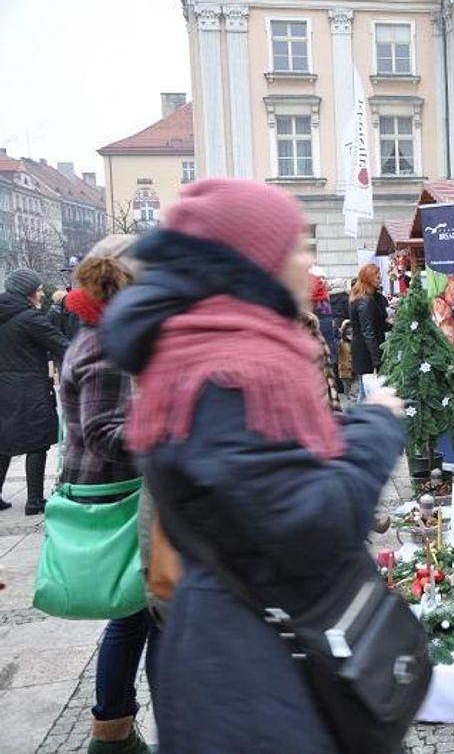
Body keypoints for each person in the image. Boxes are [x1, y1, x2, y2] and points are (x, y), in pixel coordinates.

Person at [100, 178, 407, 753]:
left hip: (245, 649)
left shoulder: (220, 351)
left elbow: (273, 478)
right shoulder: (228, 371)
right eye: (294, 245)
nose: (308, 258)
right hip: (251, 681)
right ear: (253, 263)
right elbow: (308, 522)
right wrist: (377, 426)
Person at [58, 236, 158, 754]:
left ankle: (112, 731)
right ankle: (116, 734)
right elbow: (104, 431)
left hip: (115, 489)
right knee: (144, 615)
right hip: (119, 495)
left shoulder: (103, 336)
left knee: (136, 614)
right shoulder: (106, 347)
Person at [0, 268, 69, 514]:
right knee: (37, 442)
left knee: (3, 441)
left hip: (3, 386)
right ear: (26, 292)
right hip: (29, 388)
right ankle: (34, 500)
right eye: (38, 290)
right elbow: (63, 346)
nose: (41, 295)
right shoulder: (30, 319)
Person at [349, 263, 389, 399]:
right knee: (367, 394)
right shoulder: (365, 301)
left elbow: (376, 325)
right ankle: (359, 420)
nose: (380, 279)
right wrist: (376, 360)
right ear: (369, 278)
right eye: (377, 277)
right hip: (366, 351)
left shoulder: (367, 298)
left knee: (365, 392)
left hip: (365, 349)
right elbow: (368, 331)